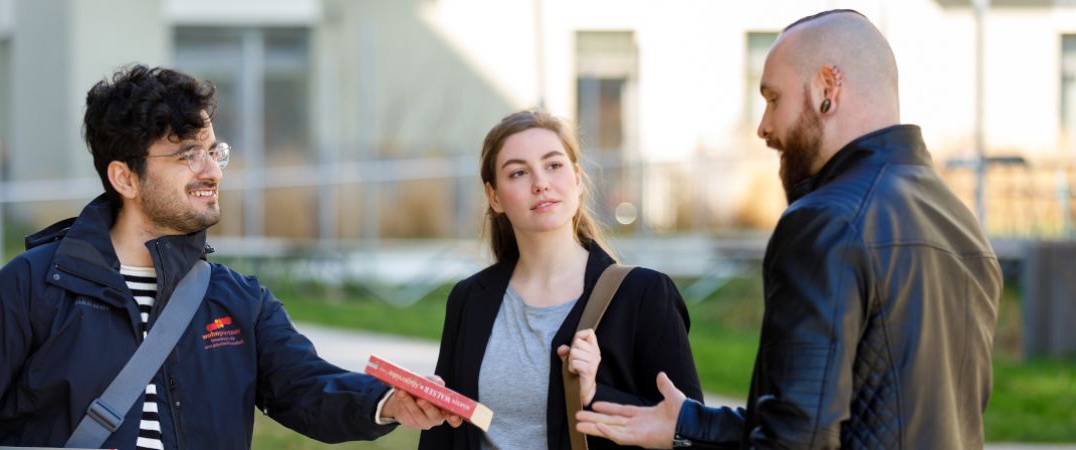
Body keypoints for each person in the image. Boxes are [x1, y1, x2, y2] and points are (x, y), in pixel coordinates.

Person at [0, 65, 457, 449]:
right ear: (124, 176)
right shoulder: (33, 287)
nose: (212, 170)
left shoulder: (237, 302)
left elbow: (307, 388)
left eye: (213, 150)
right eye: (186, 155)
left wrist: (386, 401)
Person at [575, 9, 1002, 449]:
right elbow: (849, 421)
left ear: (826, 89)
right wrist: (688, 423)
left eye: (773, 99)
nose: (764, 127)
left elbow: (794, 441)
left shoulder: (825, 221)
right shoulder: (960, 223)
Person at [418, 109, 704, 450]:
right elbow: (443, 434)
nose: (541, 183)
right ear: (494, 197)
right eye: (518, 172)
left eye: (553, 165)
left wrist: (593, 393)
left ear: (578, 179)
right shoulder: (469, 299)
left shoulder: (643, 296)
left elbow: (691, 434)